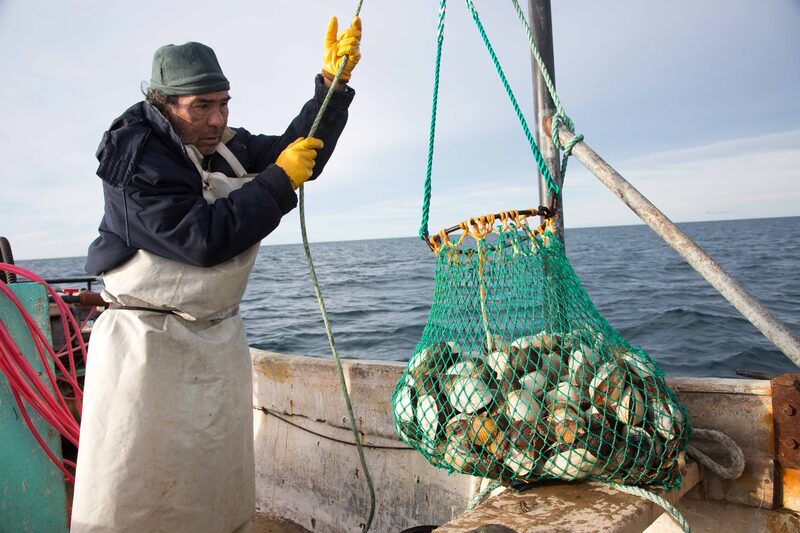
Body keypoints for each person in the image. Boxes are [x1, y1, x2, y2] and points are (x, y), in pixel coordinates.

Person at [71, 16, 362, 533]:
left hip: (214, 338)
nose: (216, 118)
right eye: (201, 106)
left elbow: (299, 153)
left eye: (224, 102)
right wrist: (276, 183)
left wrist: (331, 88)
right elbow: (201, 240)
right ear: (163, 104)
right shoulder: (134, 160)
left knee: (213, 480)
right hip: (146, 347)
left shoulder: (221, 143)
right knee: (136, 487)